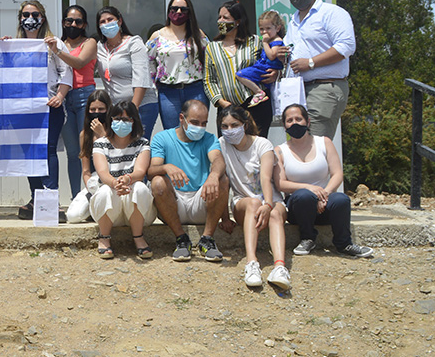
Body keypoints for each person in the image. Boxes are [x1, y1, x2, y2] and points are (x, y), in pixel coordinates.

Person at [275, 104, 373, 258]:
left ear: (308, 122)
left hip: (325, 205)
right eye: (289, 120)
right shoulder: (280, 150)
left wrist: (324, 195)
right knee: (303, 196)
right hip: (299, 208)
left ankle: (344, 244)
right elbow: (281, 184)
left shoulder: (324, 142)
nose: (294, 123)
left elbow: (337, 174)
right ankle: (307, 238)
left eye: (298, 119)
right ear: (284, 125)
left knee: (341, 199)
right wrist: (309, 188)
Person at [148, 99, 230, 262]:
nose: (199, 127)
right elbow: (151, 171)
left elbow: (218, 160)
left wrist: (213, 175)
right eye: (194, 122)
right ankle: (181, 239)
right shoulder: (162, 138)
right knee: (158, 182)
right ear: (181, 118)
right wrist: (166, 167)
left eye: (203, 123)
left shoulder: (209, 139)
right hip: (173, 202)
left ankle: (207, 239)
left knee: (223, 179)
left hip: (201, 202)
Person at [218, 106, 290, 289]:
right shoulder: (221, 145)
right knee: (252, 203)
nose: (229, 130)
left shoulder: (262, 144)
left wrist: (268, 203)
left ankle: (280, 267)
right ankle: (252, 263)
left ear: (245, 124)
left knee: (273, 213)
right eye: (224, 126)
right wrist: (225, 217)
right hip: (243, 202)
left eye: (234, 125)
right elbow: (221, 178)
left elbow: (266, 177)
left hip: (270, 198)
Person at [14, 0, 72, 220]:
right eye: (26, 14)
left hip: (49, 105)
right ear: (20, 18)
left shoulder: (54, 42)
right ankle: (35, 197)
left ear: (43, 17)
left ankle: (50, 197)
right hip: (23, 109)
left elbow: (66, 72)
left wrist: (60, 95)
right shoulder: (15, 45)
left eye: (35, 14)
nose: (30, 19)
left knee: (47, 151)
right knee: (29, 153)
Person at [284, 0, 356, 138]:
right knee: (299, 145)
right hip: (299, 90)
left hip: (324, 88)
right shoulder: (294, 20)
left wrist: (310, 63)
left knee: (314, 146)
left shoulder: (331, 13)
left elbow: (346, 46)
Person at [90, 100, 156, 259]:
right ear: (110, 119)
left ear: (135, 121)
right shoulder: (100, 144)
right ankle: (104, 238)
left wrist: (127, 179)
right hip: (111, 207)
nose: (122, 123)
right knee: (105, 189)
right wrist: (115, 183)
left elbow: (140, 172)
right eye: (117, 118)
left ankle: (138, 237)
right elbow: (103, 172)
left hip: (135, 207)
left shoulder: (143, 143)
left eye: (127, 119)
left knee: (140, 187)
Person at [204, 0, 274, 137]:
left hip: (256, 105)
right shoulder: (212, 48)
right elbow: (209, 80)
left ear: (237, 21)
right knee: (229, 151)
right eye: (219, 17)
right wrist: (222, 102)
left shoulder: (255, 42)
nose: (221, 21)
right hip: (227, 108)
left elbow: (269, 62)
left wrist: (275, 73)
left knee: (256, 147)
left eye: (225, 18)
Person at [147, 0, 209, 131]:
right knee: (173, 134)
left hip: (195, 89)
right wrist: (154, 84)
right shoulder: (157, 36)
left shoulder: (198, 34)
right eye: (174, 9)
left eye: (183, 9)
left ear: (189, 12)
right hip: (168, 92)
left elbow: (209, 60)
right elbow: (149, 63)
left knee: (196, 131)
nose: (178, 12)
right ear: (169, 11)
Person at [96, 6, 159, 138]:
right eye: (103, 22)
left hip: (141, 107)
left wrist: (132, 110)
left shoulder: (134, 43)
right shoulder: (99, 48)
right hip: (116, 110)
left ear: (119, 21)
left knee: (139, 148)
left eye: (110, 19)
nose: (107, 24)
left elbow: (141, 78)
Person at [55, 5, 98, 199]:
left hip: (84, 97)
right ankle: (75, 198)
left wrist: (57, 52)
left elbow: (79, 63)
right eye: (69, 21)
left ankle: (94, 196)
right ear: (63, 23)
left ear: (84, 24)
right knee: (73, 153)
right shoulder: (60, 44)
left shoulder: (89, 42)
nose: (73, 24)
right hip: (64, 98)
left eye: (78, 21)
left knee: (87, 149)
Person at [64, 90, 112, 223]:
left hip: (114, 179)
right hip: (95, 183)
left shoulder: (116, 131)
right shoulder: (84, 135)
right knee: (73, 216)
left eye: (101, 109)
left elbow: (117, 157)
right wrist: (91, 188)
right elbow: (86, 170)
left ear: (108, 109)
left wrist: (103, 135)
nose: (96, 112)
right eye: (93, 109)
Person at [235, 10, 288, 106]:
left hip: (266, 69)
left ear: (277, 28)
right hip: (262, 66)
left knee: (240, 74)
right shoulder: (267, 41)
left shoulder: (277, 40)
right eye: (262, 29)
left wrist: (265, 43)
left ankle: (259, 92)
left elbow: (272, 56)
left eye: (268, 28)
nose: (264, 32)